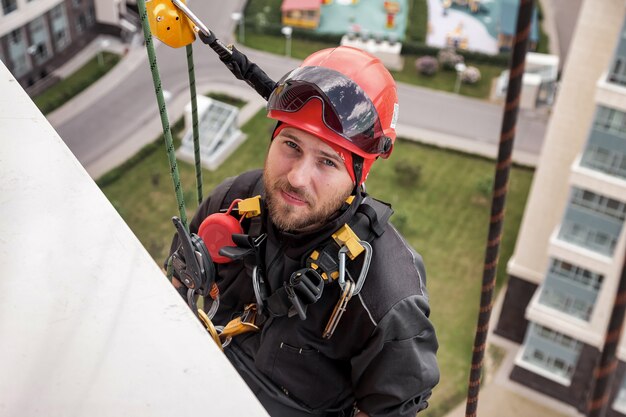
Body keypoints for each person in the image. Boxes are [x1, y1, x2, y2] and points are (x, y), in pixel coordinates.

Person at [168, 46, 439, 417]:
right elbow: (177, 281)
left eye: (328, 161)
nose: (296, 178)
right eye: (291, 145)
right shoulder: (234, 200)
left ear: (359, 176)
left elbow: (389, 409)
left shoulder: (385, 295)